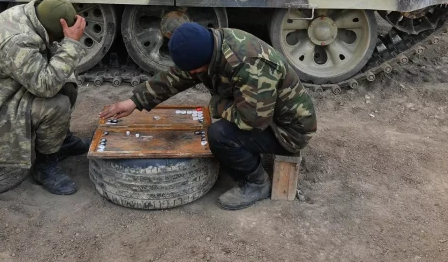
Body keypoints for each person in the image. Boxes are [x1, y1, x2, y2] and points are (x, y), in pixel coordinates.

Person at [101, 23, 317, 210]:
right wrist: (134, 102)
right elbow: (178, 76)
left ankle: (256, 183)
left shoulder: (249, 65)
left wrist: (217, 104)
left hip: (287, 131)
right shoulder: (212, 43)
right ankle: (249, 157)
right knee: (221, 124)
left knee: (219, 134)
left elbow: (252, 121)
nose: (194, 74)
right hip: (268, 114)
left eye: (196, 71)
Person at [0, 0, 90, 195]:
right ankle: (45, 166)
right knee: (56, 104)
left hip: (6, 87)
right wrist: (71, 45)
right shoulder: (17, 41)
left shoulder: (30, 14)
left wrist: (66, 46)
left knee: (66, 81)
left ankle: (61, 140)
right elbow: (46, 87)